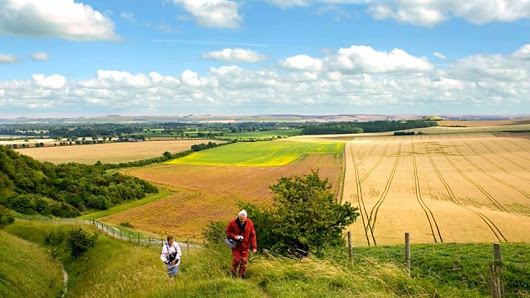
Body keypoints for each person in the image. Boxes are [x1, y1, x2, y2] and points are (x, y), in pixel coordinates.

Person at [226, 209, 257, 278]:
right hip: (235, 245)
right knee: (237, 259)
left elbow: (252, 235)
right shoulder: (232, 223)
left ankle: (241, 275)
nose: (242, 222)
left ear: (246, 218)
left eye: (244, 220)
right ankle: (233, 272)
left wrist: (254, 247)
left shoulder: (250, 223)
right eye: (241, 220)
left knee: (244, 261)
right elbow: (228, 232)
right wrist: (234, 236)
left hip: (245, 246)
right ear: (238, 217)